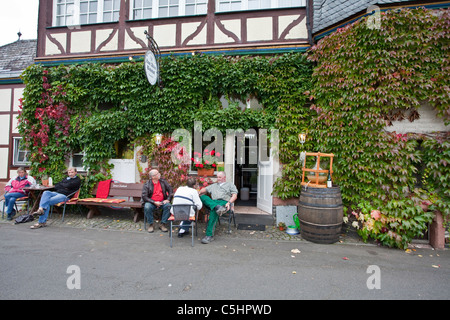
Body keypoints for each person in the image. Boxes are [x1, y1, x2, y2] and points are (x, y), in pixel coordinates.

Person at [199, 171, 238, 244]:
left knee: (213, 212)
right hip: (214, 203)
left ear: (224, 177)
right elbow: (205, 190)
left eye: (220, 177)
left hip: (224, 203)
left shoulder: (230, 185)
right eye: (217, 177)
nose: (218, 179)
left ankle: (209, 235)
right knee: (202, 196)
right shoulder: (214, 185)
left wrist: (229, 203)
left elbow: (234, 195)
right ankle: (217, 207)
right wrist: (199, 192)